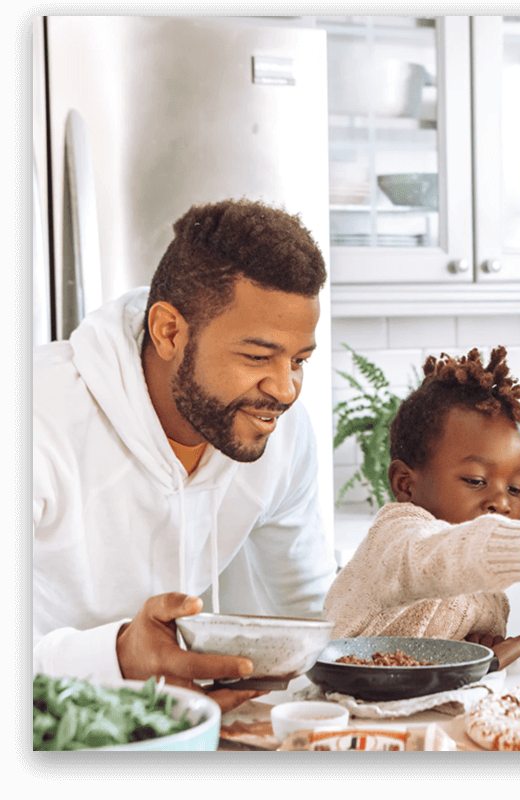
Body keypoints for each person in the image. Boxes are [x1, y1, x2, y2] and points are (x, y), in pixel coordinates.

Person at [33, 199, 336, 711]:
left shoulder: (279, 434)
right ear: (169, 331)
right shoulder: (45, 416)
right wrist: (115, 656)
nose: (285, 390)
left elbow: (314, 614)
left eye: (300, 360)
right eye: (258, 357)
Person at [323, 347, 520, 648]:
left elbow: (450, 649)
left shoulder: (489, 590)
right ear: (405, 484)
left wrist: (476, 649)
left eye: (515, 489)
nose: (502, 503)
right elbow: (439, 557)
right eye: (476, 480)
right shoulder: (396, 537)